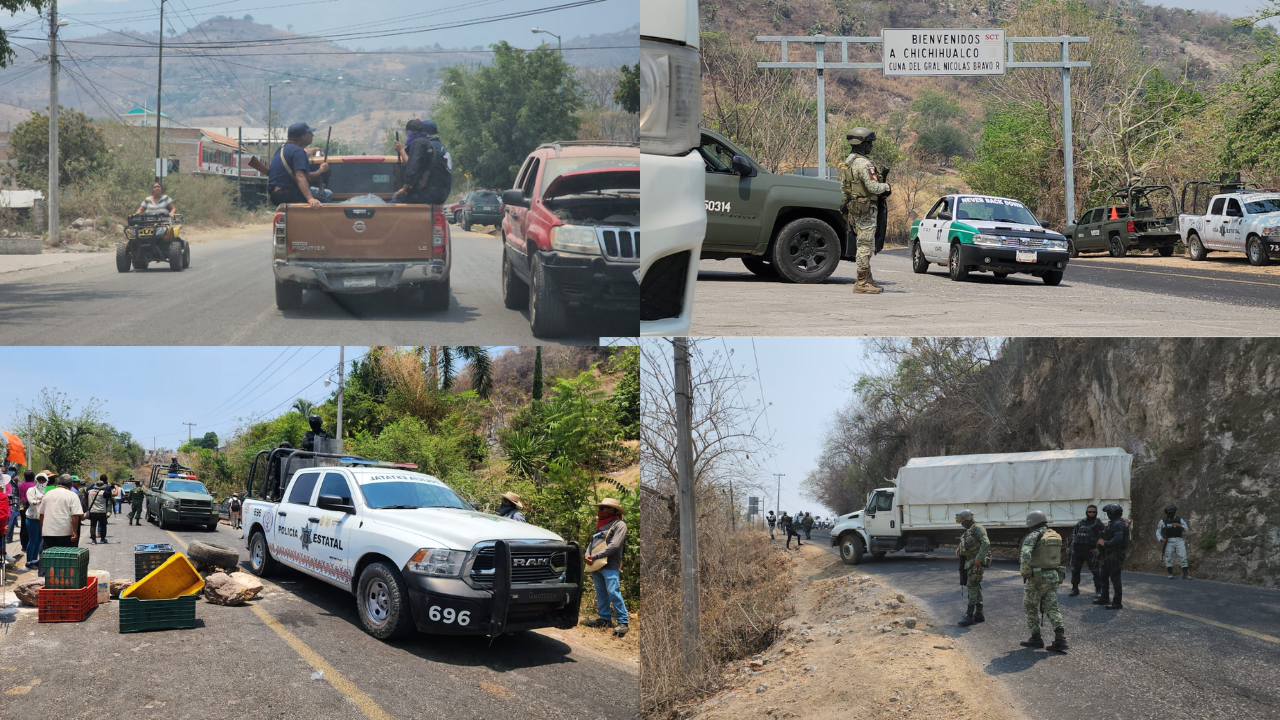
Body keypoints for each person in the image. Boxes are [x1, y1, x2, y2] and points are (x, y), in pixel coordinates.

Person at [838, 128, 891, 294]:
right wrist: (887, 187)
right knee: (865, 244)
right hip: (866, 209)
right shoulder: (864, 164)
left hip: (853, 207)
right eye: (869, 143)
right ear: (861, 144)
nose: (871, 147)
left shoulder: (848, 162)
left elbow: (844, 188)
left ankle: (868, 279)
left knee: (862, 241)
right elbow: (873, 187)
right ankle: (861, 282)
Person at [1019, 510, 1067, 652]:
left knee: (1030, 606)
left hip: (1037, 576)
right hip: (1053, 575)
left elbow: (1025, 554)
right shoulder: (1055, 534)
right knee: (1052, 606)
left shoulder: (1033, 535)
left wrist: (1025, 572)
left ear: (1031, 523)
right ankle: (1060, 639)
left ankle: (1036, 638)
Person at [582, 498, 629, 637]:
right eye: (600, 508)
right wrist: (587, 554)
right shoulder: (601, 525)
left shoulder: (619, 525)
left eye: (602, 508)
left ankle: (623, 622)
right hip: (596, 565)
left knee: (613, 592)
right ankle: (604, 619)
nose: (599, 511)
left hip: (610, 565)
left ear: (612, 510)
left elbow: (614, 546)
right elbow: (593, 543)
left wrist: (595, 557)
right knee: (601, 593)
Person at [267, 122, 332, 207]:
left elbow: (306, 175)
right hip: (286, 193)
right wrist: (310, 198)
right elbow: (300, 177)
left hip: (275, 194)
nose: (312, 135)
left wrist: (313, 151)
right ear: (303, 136)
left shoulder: (282, 148)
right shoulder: (298, 151)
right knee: (326, 204)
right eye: (310, 133)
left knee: (327, 193)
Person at [393, 119, 452, 205]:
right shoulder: (439, 146)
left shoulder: (422, 144)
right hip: (443, 192)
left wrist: (405, 188)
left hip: (429, 192)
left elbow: (412, 166)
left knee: (395, 201)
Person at [38, 475, 84, 565]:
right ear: (71, 484)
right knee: (65, 560)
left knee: (48, 559)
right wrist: (74, 531)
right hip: (65, 532)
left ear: (58, 483)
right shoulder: (72, 495)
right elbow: (75, 515)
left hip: (48, 533)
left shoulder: (47, 494)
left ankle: (44, 577)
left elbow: (42, 514)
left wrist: (42, 530)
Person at [955, 509, 990, 627]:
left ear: (967, 520)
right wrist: (960, 549)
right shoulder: (969, 531)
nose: (960, 523)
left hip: (975, 563)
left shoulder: (977, 528)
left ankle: (969, 615)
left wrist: (979, 559)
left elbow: (986, 543)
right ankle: (979, 614)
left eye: (961, 520)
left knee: (971, 586)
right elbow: (969, 544)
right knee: (975, 586)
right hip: (970, 562)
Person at [1067, 504, 1106, 597]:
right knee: (1075, 570)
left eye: (1093, 512)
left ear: (1096, 513)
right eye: (1090, 512)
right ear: (1086, 512)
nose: (1091, 513)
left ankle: (1098, 590)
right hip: (1078, 550)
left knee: (1095, 571)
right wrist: (1068, 547)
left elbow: (1104, 537)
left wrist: (1098, 548)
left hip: (1091, 551)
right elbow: (1073, 535)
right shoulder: (1081, 523)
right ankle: (1075, 589)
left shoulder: (1099, 524)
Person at [1094, 503, 1128, 610]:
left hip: (1116, 554)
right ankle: (1105, 597)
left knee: (1115, 578)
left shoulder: (1118, 524)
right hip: (1110, 554)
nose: (1107, 514)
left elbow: (1119, 538)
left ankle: (1117, 603)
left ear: (1112, 513)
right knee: (1103, 575)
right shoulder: (1115, 523)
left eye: (1108, 512)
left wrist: (1105, 543)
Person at [1158, 503, 1191, 579]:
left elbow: (1187, 529)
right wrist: (1160, 538)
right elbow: (1158, 531)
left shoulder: (1179, 519)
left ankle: (1185, 574)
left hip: (1179, 540)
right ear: (1166, 512)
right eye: (1169, 511)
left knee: (1183, 556)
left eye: (1172, 510)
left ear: (1174, 510)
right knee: (1168, 557)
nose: (1170, 512)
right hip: (1168, 540)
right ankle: (1170, 573)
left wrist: (1178, 525)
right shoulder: (1163, 521)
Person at [24, 472, 45, 571]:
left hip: (42, 518)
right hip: (32, 518)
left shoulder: (47, 490)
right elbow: (31, 502)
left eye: (43, 480)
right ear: (36, 479)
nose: (41, 481)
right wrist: (41, 500)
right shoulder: (32, 490)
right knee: (32, 540)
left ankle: (34, 560)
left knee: (39, 541)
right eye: (39, 479)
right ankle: (29, 562)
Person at [86, 474, 112, 544]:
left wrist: (87, 506)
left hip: (93, 511)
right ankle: (102, 539)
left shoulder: (89, 492)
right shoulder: (104, 493)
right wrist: (116, 487)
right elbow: (113, 494)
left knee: (93, 526)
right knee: (103, 526)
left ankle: (93, 540)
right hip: (101, 512)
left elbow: (84, 497)